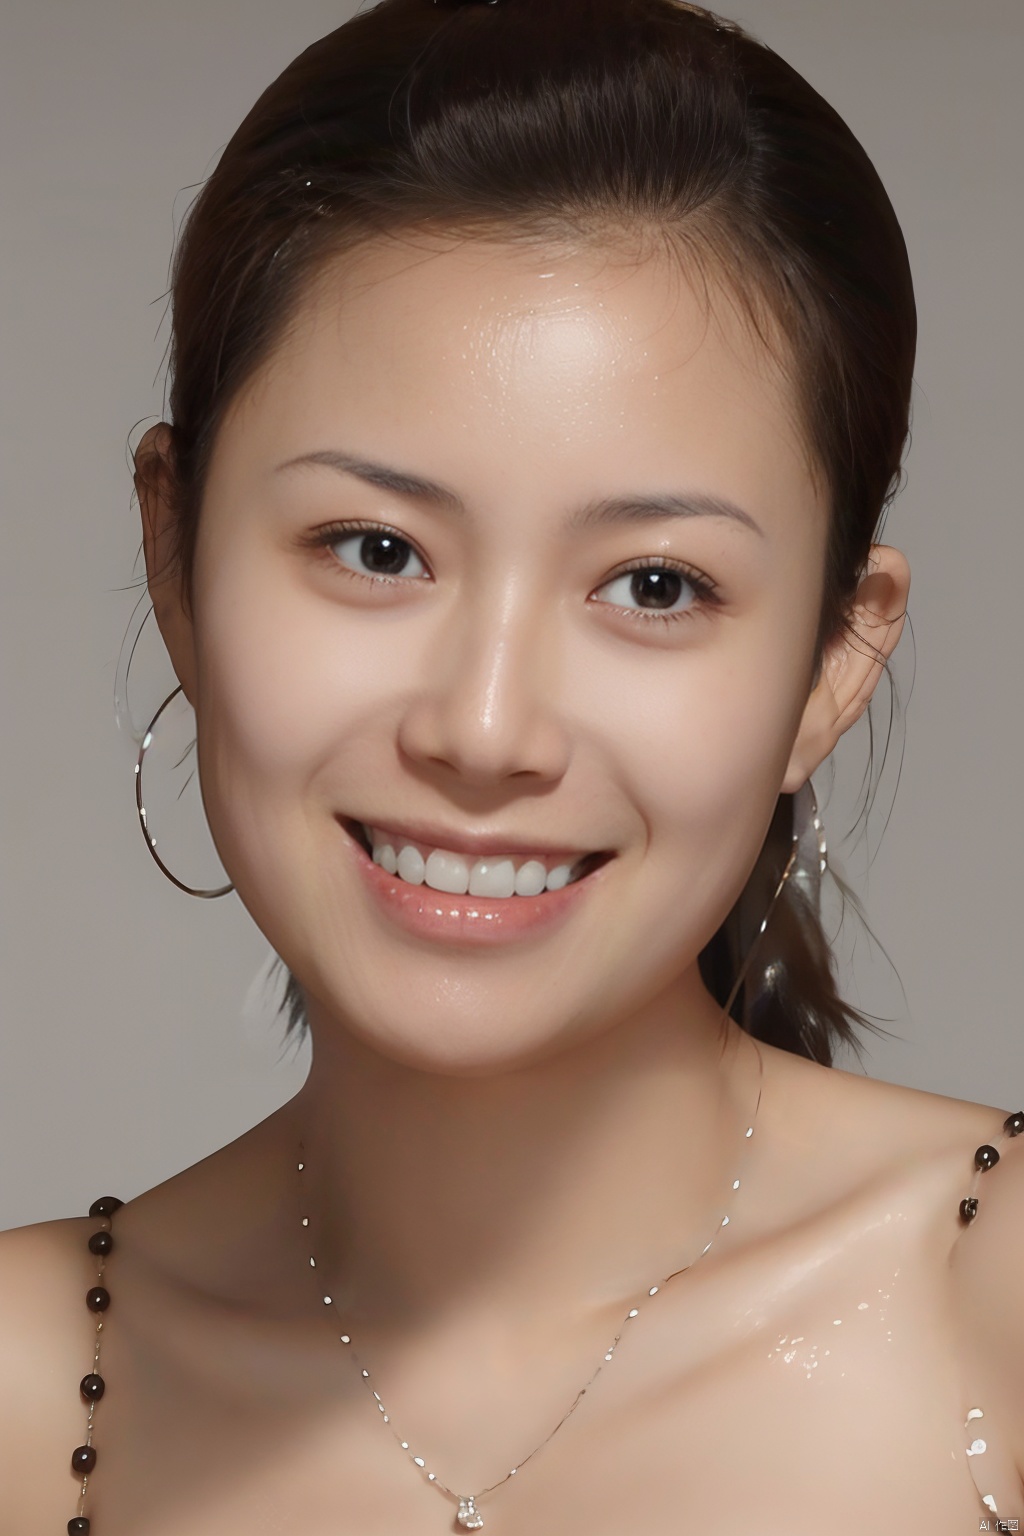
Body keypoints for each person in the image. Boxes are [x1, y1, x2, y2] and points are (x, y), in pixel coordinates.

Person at [2, 1, 1021, 1531]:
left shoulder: (991, 1307)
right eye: (375, 549)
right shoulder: (29, 1389)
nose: (484, 732)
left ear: (833, 664)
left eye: (655, 587)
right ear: (175, 557)